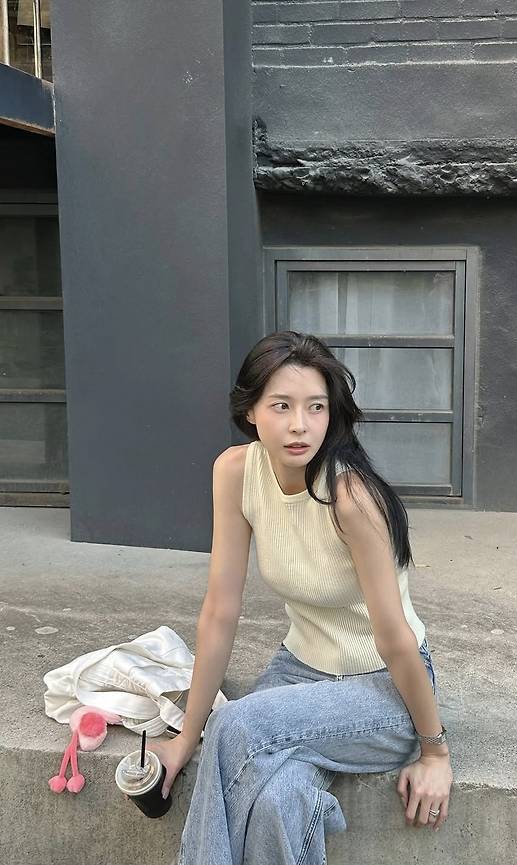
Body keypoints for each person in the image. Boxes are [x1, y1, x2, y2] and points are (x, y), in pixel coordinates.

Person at [149, 330, 453, 865]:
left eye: (316, 407)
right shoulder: (236, 472)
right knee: (279, 798)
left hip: (384, 690)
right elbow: (220, 611)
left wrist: (436, 752)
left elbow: (396, 639)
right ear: (250, 412)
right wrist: (185, 737)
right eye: (282, 406)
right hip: (299, 671)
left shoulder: (350, 498)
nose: (300, 425)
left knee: (236, 724)